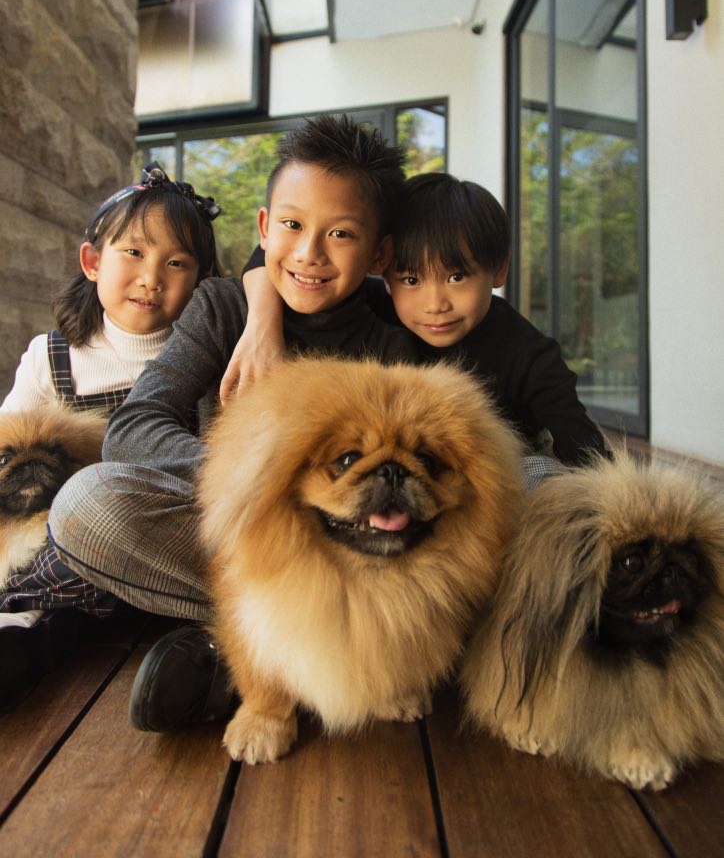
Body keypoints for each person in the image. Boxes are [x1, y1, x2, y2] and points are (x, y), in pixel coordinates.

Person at [45, 114, 417, 732]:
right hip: (232, 538)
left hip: (344, 558)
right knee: (87, 506)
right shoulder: (222, 307)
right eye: (293, 226)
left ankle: (232, 652)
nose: (309, 253)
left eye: (342, 234)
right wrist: (249, 482)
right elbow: (135, 425)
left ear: (379, 253)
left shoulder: (389, 350)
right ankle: (279, 647)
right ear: (265, 228)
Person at [0, 164, 222, 712]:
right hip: (61, 544)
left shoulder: (205, 356)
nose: (152, 277)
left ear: (199, 282)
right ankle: (20, 640)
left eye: (177, 263)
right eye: (134, 253)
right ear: (92, 261)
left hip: (159, 535)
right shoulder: (51, 357)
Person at [226, 171, 609, 474]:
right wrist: (262, 324)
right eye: (411, 280)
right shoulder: (375, 303)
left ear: (499, 269)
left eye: (456, 277)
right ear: (382, 264)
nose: (435, 304)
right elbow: (264, 257)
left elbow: (588, 455)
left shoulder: (529, 356)